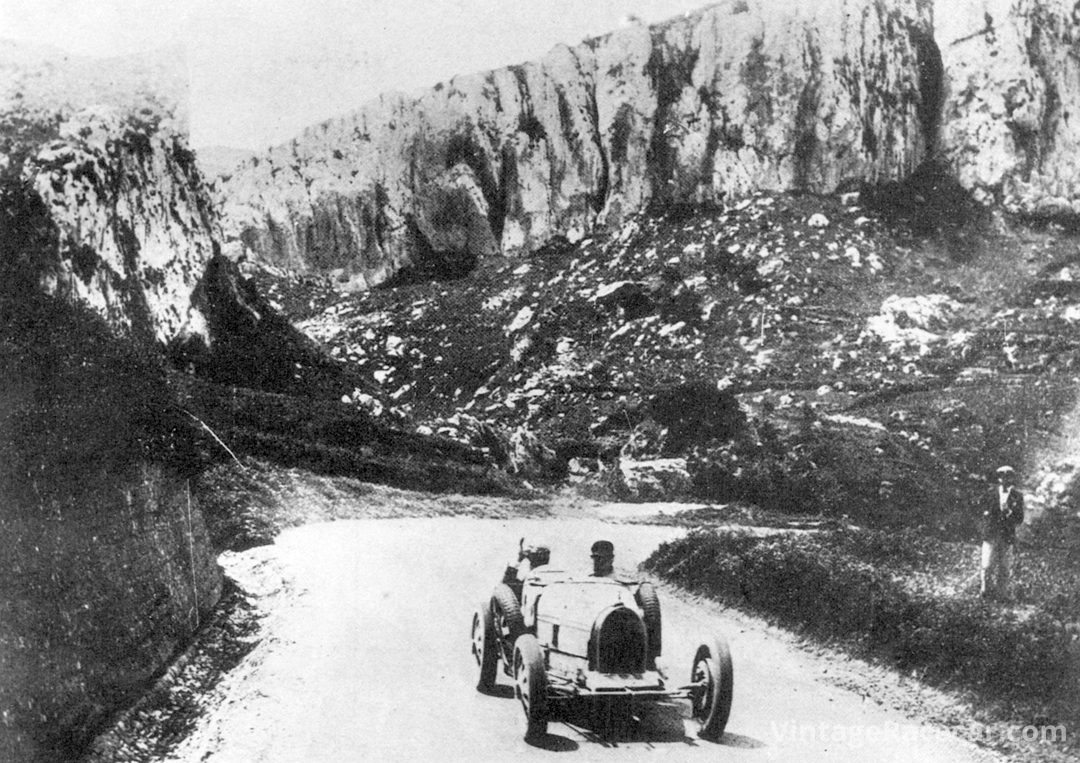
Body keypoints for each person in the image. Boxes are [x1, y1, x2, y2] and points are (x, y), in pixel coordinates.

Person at [980, 465, 1025, 599]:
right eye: (1001, 476)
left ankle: (1002, 594)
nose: (1004, 479)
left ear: (1012, 478)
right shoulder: (990, 493)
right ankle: (985, 592)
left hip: (1006, 535)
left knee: (1004, 567)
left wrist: (1009, 512)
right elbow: (982, 510)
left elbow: (1019, 518)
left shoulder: (1017, 496)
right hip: (991, 534)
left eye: (1008, 476)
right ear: (998, 478)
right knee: (987, 565)